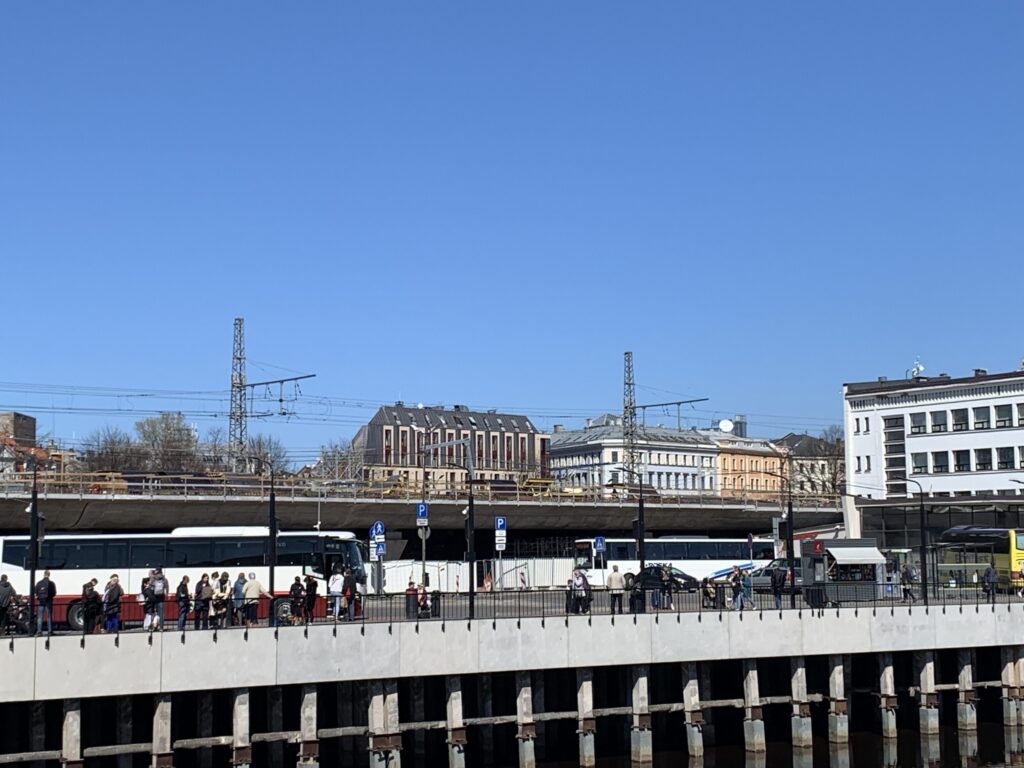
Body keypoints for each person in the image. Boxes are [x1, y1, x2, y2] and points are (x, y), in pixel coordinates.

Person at [34, 570, 56, 636]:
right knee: (49, 617)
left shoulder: (39, 583)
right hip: (48, 602)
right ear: (49, 575)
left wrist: (39, 597)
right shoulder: (51, 583)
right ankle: (50, 631)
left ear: (44, 574)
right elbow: (54, 593)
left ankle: (39, 631)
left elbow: (35, 592)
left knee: (39, 617)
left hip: (41, 602)